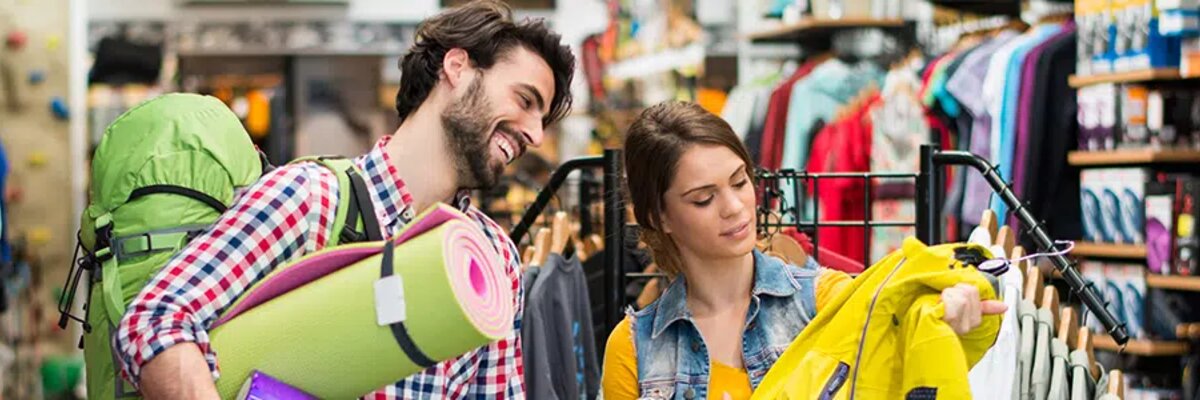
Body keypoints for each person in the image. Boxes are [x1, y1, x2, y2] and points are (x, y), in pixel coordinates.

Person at [113, 1, 575, 398]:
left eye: (544, 119)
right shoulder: (310, 201)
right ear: (457, 67)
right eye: (525, 100)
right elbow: (154, 321)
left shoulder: (492, 258)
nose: (535, 134)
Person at [601, 101, 1007, 400]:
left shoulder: (827, 301)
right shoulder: (634, 349)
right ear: (659, 217)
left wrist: (952, 320)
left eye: (740, 182)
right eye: (704, 199)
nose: (735, 207)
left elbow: (901, 371)